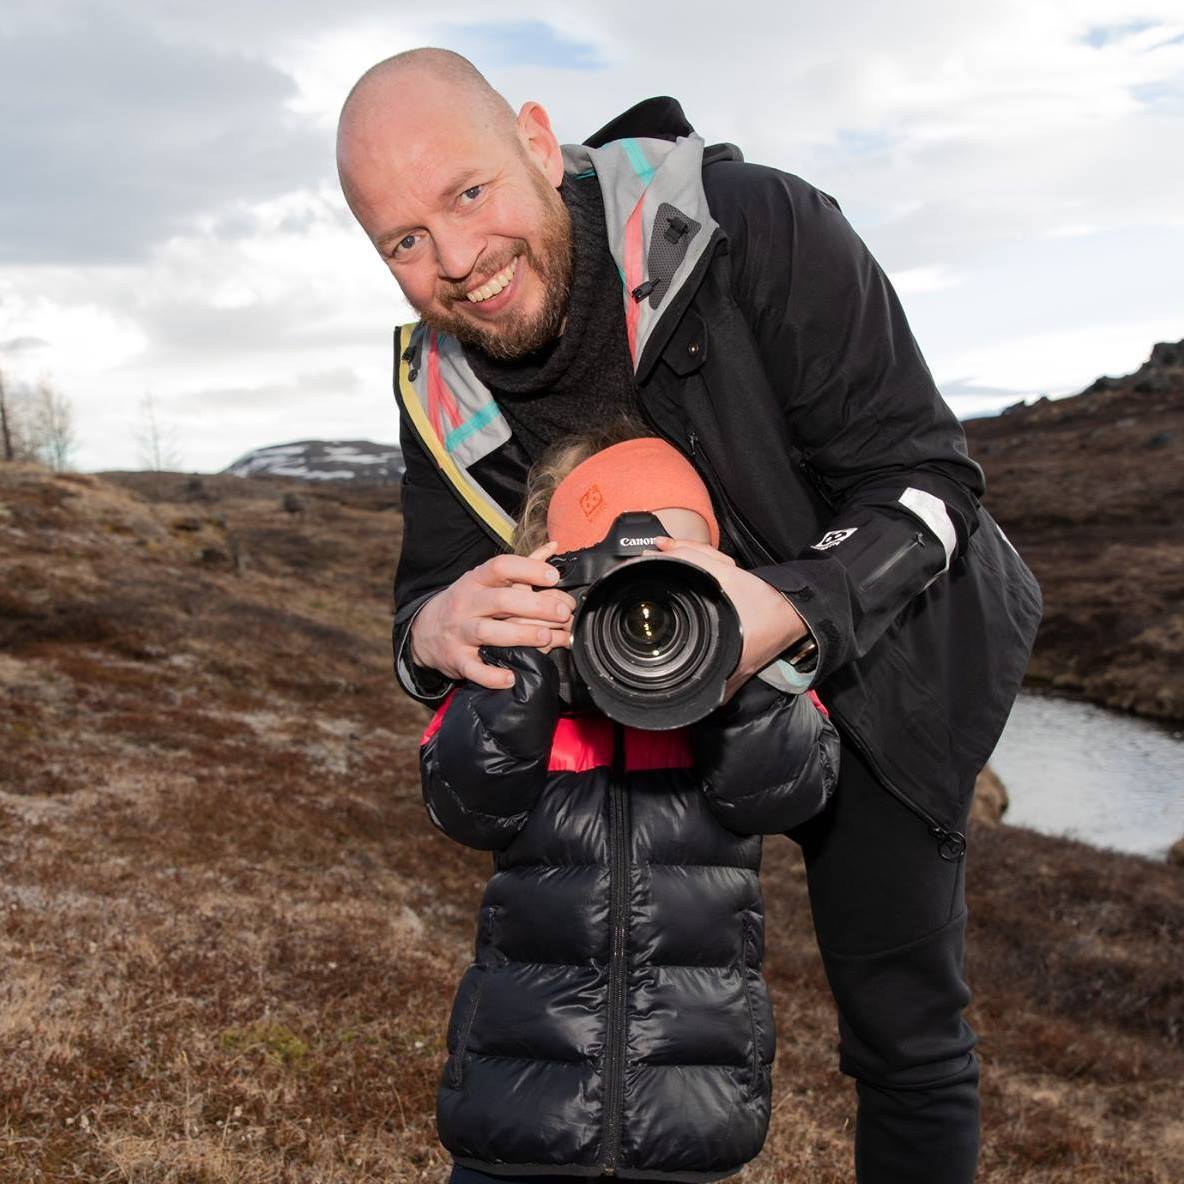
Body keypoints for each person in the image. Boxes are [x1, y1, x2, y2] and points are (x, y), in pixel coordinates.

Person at [336, 48, 1042, 1183]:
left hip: (887, 659)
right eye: (403, 242)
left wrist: (786, 608)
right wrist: (434, 631)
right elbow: (425, 606)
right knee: (631, 989)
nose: (456, 261)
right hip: (644, 693)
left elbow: (930, 483)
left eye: (467, 193)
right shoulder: (437, 380)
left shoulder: (753, 224)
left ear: (535, 140)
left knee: (903, 1031)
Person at [421, 428, 841, 1182]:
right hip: (517, 1107)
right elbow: (468, 804)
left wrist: (738, 657)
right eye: (619, 578)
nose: (648, 607)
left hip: (691, 1112)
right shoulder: (526, 675)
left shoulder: (741, 675)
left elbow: (787, 789)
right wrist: (526, 663)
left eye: (678, 573)